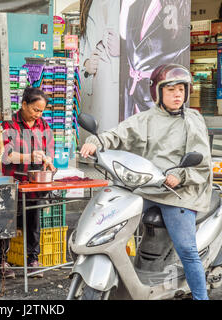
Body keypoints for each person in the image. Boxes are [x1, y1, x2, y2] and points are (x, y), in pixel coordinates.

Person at [80, 64, 212, 300]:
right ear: (158, 92)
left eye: (181, 89)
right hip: (147, 189)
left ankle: (201, 297)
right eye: (171, 89)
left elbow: (201, 161)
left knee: (187, 250)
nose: (178, 94)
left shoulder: (192, 120)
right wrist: (96, 142)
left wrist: (179, 176)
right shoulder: (145, 119)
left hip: (178, 192)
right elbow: (119, 135)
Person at [0, 87, 56, 279]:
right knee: (6, 222)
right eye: (35, 110)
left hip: (34, 185)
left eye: (41, 111)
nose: (38, 114)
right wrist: (29, 155)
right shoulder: (9, 125)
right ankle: (1, 263)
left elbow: (49, 151)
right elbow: (6, 156)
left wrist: (48, 162)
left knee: (33, 222)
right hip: (11, 182)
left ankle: (32, 261)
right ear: (23, 104)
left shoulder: (43, 125)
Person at [120, 0, 190, 119]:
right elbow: (126, 39)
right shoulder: (137, 6)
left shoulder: (176, 8)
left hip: (157, 95)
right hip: (134, 92)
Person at [79, 0, 120, 132]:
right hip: (93, 84)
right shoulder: (89, 5)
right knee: (93, 137)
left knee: (111, 133)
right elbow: (82, 46)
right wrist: (86, 64)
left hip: (117, 83)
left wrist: (123, 49)